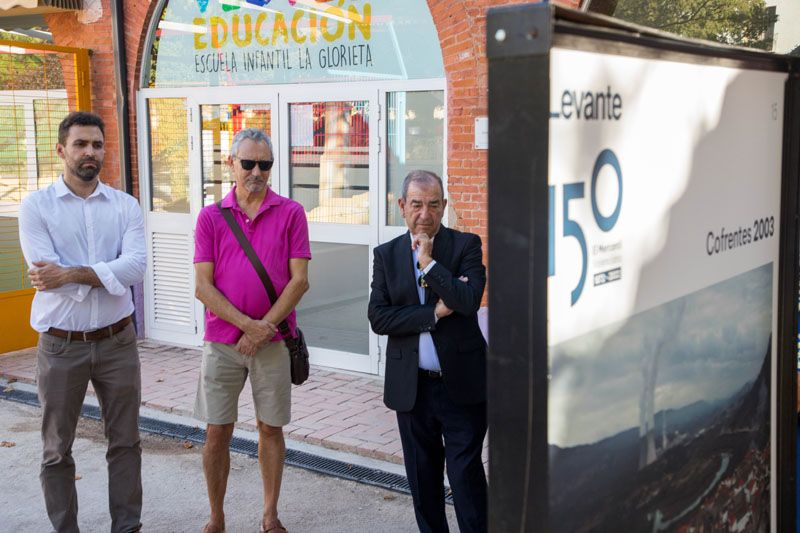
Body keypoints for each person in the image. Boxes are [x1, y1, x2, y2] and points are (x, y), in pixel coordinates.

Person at [18, 111, 146, 533]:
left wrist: (72, 274)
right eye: (80, 144)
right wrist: (104, 276)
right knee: (57, 449)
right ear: (61, 150)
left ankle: (126, 528)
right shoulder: (36, 207)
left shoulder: (126, 206)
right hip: (60, 344)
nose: (90, 152)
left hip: (117, 342)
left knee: (126, 443)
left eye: (96, 144)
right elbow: (45, 275)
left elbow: (135, 267)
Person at [193, 128, 310, 533]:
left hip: (274, 342)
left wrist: (264, 330)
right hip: (223, 342)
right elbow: (202, 286)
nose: (257, 171)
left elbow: (299, 281)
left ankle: (270, 513)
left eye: (265, 164)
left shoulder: (291, 212)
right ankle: (216, 516)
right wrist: (247, 326)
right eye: (248, 163)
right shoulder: (211, 217)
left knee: (270, 427)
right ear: (231, 164)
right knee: (216, 431)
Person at [368, 170, 488, 533]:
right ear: (402, 206)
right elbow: (379, 317)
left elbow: (467, 301)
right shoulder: (386, 256)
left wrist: (429, 264)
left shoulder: (465, 245)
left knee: (465, 476)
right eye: (417, 204)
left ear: (444, 206)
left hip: (463, 386)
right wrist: (434, 312)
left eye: (433, 205)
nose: (425, 213)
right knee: (423, 481)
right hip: (413, 389)